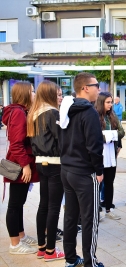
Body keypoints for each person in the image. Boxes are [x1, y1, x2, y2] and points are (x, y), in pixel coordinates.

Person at [59, 72, 104, 267]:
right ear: (85, 88)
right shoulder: (89, 112)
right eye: (96, 85)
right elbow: (94, 146)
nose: (99, 89)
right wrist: (100, 171)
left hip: (67, 170)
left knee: (70, 216)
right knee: (89, 219)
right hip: (84, 173)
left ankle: (70, 259)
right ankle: (90, 263)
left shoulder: (66, 109)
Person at [26, 80, 65, 261]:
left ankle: (42, 247)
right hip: (55, 163)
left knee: (44, 205)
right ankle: (51, 250)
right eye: (57, 94)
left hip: (40, 163)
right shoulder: (52, 113)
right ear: (50, 94)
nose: (60, 97)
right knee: (53, 207)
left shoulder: (33, 114)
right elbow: (61, 141)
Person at [2, 81, 39, 255]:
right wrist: (25, 165)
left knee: (19, 202)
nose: (34, 94)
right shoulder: (18, 113)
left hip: (19, 162)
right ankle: (15, 244)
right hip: (19, 164)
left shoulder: (20, 111)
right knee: (15, 204)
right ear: (24, 94)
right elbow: (16, 144)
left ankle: (21, 236)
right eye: (32, 91)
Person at [95, 92, 125, 220]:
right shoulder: (95, 116)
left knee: (109, 182)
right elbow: (94, 134)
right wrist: (105, 136)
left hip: (111, 153)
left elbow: (122, 131)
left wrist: (112, 135)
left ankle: (108, 209)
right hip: (100, 154)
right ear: (101, 103)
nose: (110, 104)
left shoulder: (112, 116)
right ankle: (96, 211)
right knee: (98, 184)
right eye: (108, 102)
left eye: (111, 102)